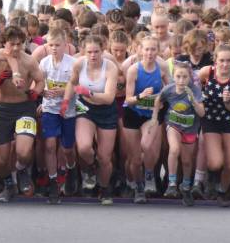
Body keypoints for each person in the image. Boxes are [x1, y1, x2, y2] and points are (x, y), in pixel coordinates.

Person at [0, 25, 44, 203]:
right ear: (4, 43)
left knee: (24, 152)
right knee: (2, 160)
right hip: (2, 109)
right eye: (13, 44)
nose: (17, 48)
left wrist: (35, 93)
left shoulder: (28, 61)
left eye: (20, 44)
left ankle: (21, 169)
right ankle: (8, 184)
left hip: (25, 107)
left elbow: (40, 81)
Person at [62, 35, 119, 205]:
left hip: (107, 111)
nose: (93, 55)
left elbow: (109, 98)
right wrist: (65, 101)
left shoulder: (110, 68)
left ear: (103, 50)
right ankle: (91, 169)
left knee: (104, 157)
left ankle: (104, 186)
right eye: (89, 52)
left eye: (96, 52)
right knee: (84, 147)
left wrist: (89, 92)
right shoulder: (79, 63)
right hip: (86, 109)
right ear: (83, 52)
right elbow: (72, 83)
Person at [148, 61, 204, 207]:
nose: (181, 80)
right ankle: (172, 183)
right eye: (178, 76)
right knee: (174, 149)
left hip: (190, 128)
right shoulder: (169, 89)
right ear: (173, 76)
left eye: (184, 77)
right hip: (173, 125)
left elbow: (202, 113)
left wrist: (193, 100)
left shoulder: (195, 90)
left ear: (190, 77)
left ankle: (185, 186)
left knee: (186, 160)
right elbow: (157, 100)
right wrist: (154, 118)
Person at [123, 36, 170, 204]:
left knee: (147, 145)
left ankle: (149, 172)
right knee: (135, 159)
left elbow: (171, 90)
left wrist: (161, 96)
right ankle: (139, 187)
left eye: (153, 49)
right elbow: (128, 99)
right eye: (147, 49)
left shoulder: (162, 67)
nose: (149, 53)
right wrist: (140, 96)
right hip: (133, 113)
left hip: (152, 114)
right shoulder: (133, 70)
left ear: (158, 51)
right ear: (140, 50)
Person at [197, 43, 230, 205]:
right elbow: (193, 86)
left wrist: (227, 100)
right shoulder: (206, 72)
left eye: (228, 60)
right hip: (210, 119)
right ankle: (211, 180)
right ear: (215, 60)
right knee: (216, 162)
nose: (225, 64)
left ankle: (221, 191)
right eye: (221, 60)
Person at [38, 27, 78, 204]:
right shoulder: (44, 63)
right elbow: (39, 83)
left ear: (66, 45)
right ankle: (53, 180)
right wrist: (41, 96)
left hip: (68, 110)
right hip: (50, 109)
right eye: (51, 45)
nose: (54, 48)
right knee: (50, 144)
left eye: (58, 45)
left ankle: (71, 169)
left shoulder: (73, 64)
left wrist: (62, 90)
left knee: (67, 148)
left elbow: (78, 87)